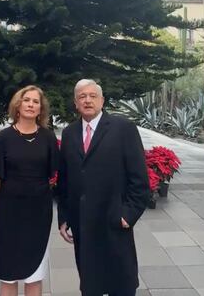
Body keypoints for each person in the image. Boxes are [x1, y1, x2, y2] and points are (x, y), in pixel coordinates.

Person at [57, 79, 150, 296]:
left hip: (114, 220)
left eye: (92, 95)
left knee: (121, 284)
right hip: (83, 224)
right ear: (75, 103)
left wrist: (128, 214)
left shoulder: (123, 129)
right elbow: (65, 180)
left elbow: (140, 180)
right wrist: (64, 217)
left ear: (102, 100)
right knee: (91, 285)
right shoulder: (70, 133)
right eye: (82, 96)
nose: (87, 100)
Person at [0, 85, 59, 296]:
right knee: (8, 276)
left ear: (40, 109)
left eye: (36, 102)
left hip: (38, 212)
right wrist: (15, 191)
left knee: (34, 276)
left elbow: (53, 173)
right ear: (17, 105)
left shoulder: (48, 138)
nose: (31, 104)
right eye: (26, 100)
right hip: (9, 212)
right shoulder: (2, 138)